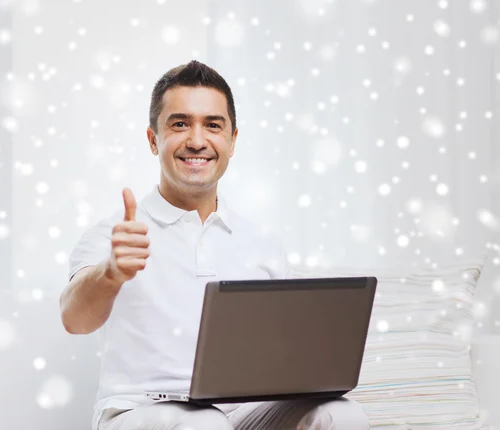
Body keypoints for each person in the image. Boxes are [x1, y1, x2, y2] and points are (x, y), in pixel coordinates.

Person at [60, 60, 370, 430]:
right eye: (179, 123)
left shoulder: (262, 244)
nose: (196, 140)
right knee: (204, 424)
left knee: (341, 414)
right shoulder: (116, 233)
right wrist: (111, 272)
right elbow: (74, 319)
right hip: (140, 412)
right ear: (152, 139)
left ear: (232, 141)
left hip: (241, 414)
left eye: (213, 125)